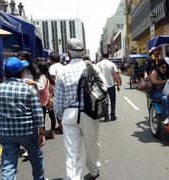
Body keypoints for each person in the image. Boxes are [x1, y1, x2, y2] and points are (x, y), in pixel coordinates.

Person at [0, 57, 45, 180]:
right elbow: (38, 113)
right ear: (22, 73)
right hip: (28, 131)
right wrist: (41, 132)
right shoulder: (29, 89)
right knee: (36, 158)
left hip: (6, 132)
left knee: (8, 163)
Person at [54, 38, 103, 180]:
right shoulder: (93, 68)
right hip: (89, 112)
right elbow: (102, 88)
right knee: (92, 144)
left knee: (72, 150)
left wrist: (60, 116)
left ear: (68, 53)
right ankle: (94, 170)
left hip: (69, 114)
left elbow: (58, 100)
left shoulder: (62, 72)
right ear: (82, 52)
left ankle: (73, 178)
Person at [35, 61, 57, 139]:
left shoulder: (41, 77)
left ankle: (43, 134)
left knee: (42, 117)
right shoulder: (48, 77)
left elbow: (40, 88)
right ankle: (52, 132)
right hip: (49, 98)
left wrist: (33, 83)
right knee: (52, 115)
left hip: (43, 99)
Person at [96, 52, 121, 121]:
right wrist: (118, 85)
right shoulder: (112, 64)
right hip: (111, 85)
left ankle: (105, 115)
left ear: (102, 56)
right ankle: (112, 115)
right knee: (113, 100)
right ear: (108, 56)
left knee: (102, 101)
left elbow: (96, 76)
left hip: (101, 86)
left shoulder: (98, 64)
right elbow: (116, 75)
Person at [150, 60, 169, 124]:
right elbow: (154, 81)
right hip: (155, 92)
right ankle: (166, 117)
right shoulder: (154, 72)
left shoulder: (167, 73)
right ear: (159, 67)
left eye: (166, 68)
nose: (164, 69)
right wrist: (166, 81)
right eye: (163, 67)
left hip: (166, 92)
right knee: (165, 98)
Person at [48, 52, 63, 134]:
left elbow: (52, 78)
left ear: (51, 59)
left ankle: (61, 127)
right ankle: (62, 126)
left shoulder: (52, 67)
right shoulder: (62, 66)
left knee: (57, 109)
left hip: (56, 90)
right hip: (63, 89)